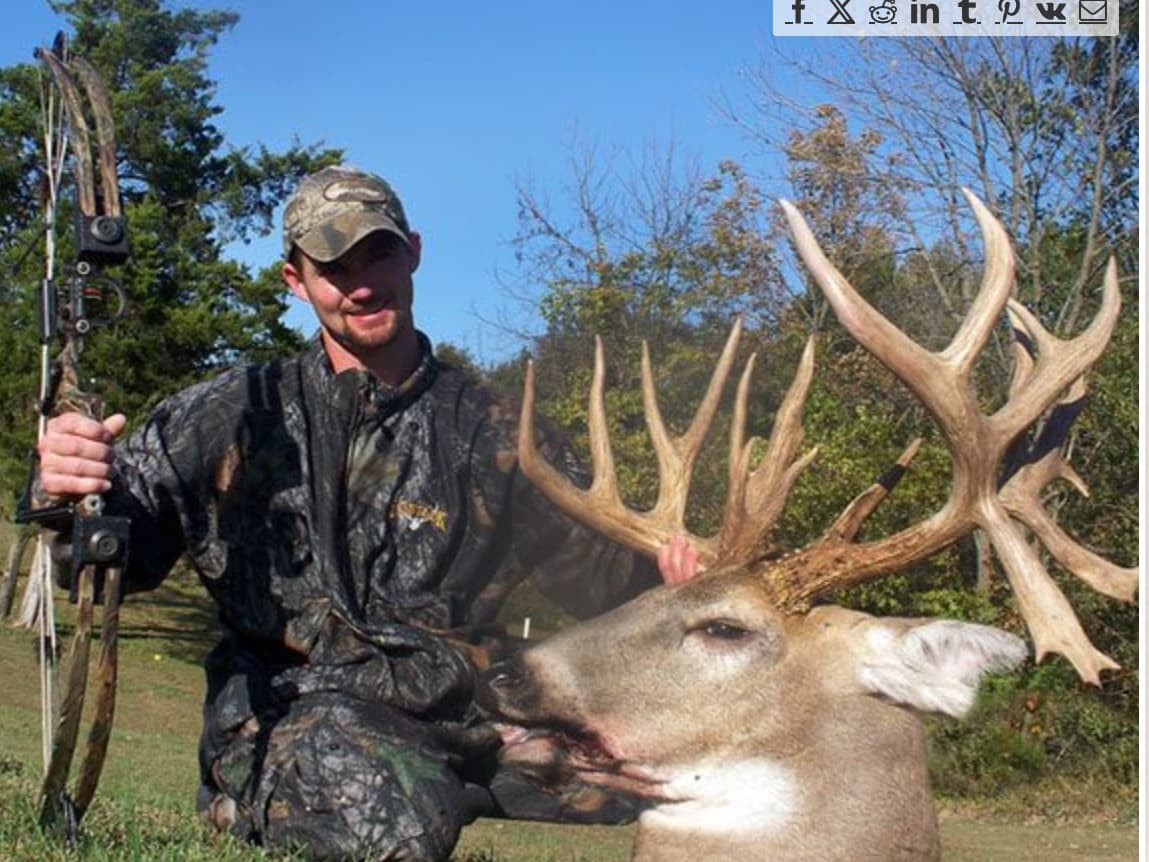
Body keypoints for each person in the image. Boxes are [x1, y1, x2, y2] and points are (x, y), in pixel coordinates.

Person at [36, 164, 696, 860]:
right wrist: (66, 491)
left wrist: (676, 577)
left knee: (707, 772)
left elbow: (604, 580)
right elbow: (110, 559)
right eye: (333, 267)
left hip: (468, 721)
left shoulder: (498, 432)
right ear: (295, 280)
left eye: (378, 254)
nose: (361, 283)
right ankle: (282, 797)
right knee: (385, 825)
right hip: (296, 714)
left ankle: (440, 788)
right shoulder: (229, 412)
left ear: (412, 251)